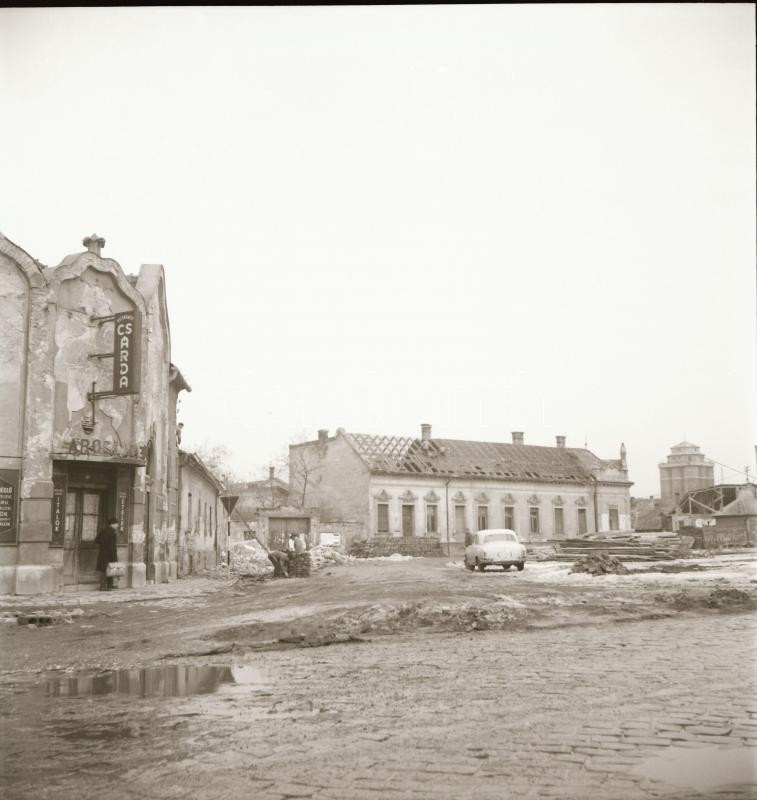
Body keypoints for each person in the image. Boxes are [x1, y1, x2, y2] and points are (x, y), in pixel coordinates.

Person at [95, 516, 119, 591]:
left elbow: (96, 540)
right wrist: (115, 558)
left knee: (103, 569)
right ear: (113, 524)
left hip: (102, 553)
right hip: (109, 554)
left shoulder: (103, 530)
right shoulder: (112, 532)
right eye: (116, 524)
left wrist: (103, 545)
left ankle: (103, 586)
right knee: (110, 569)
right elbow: (112, 547)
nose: (117, 526)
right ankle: (108, 586)